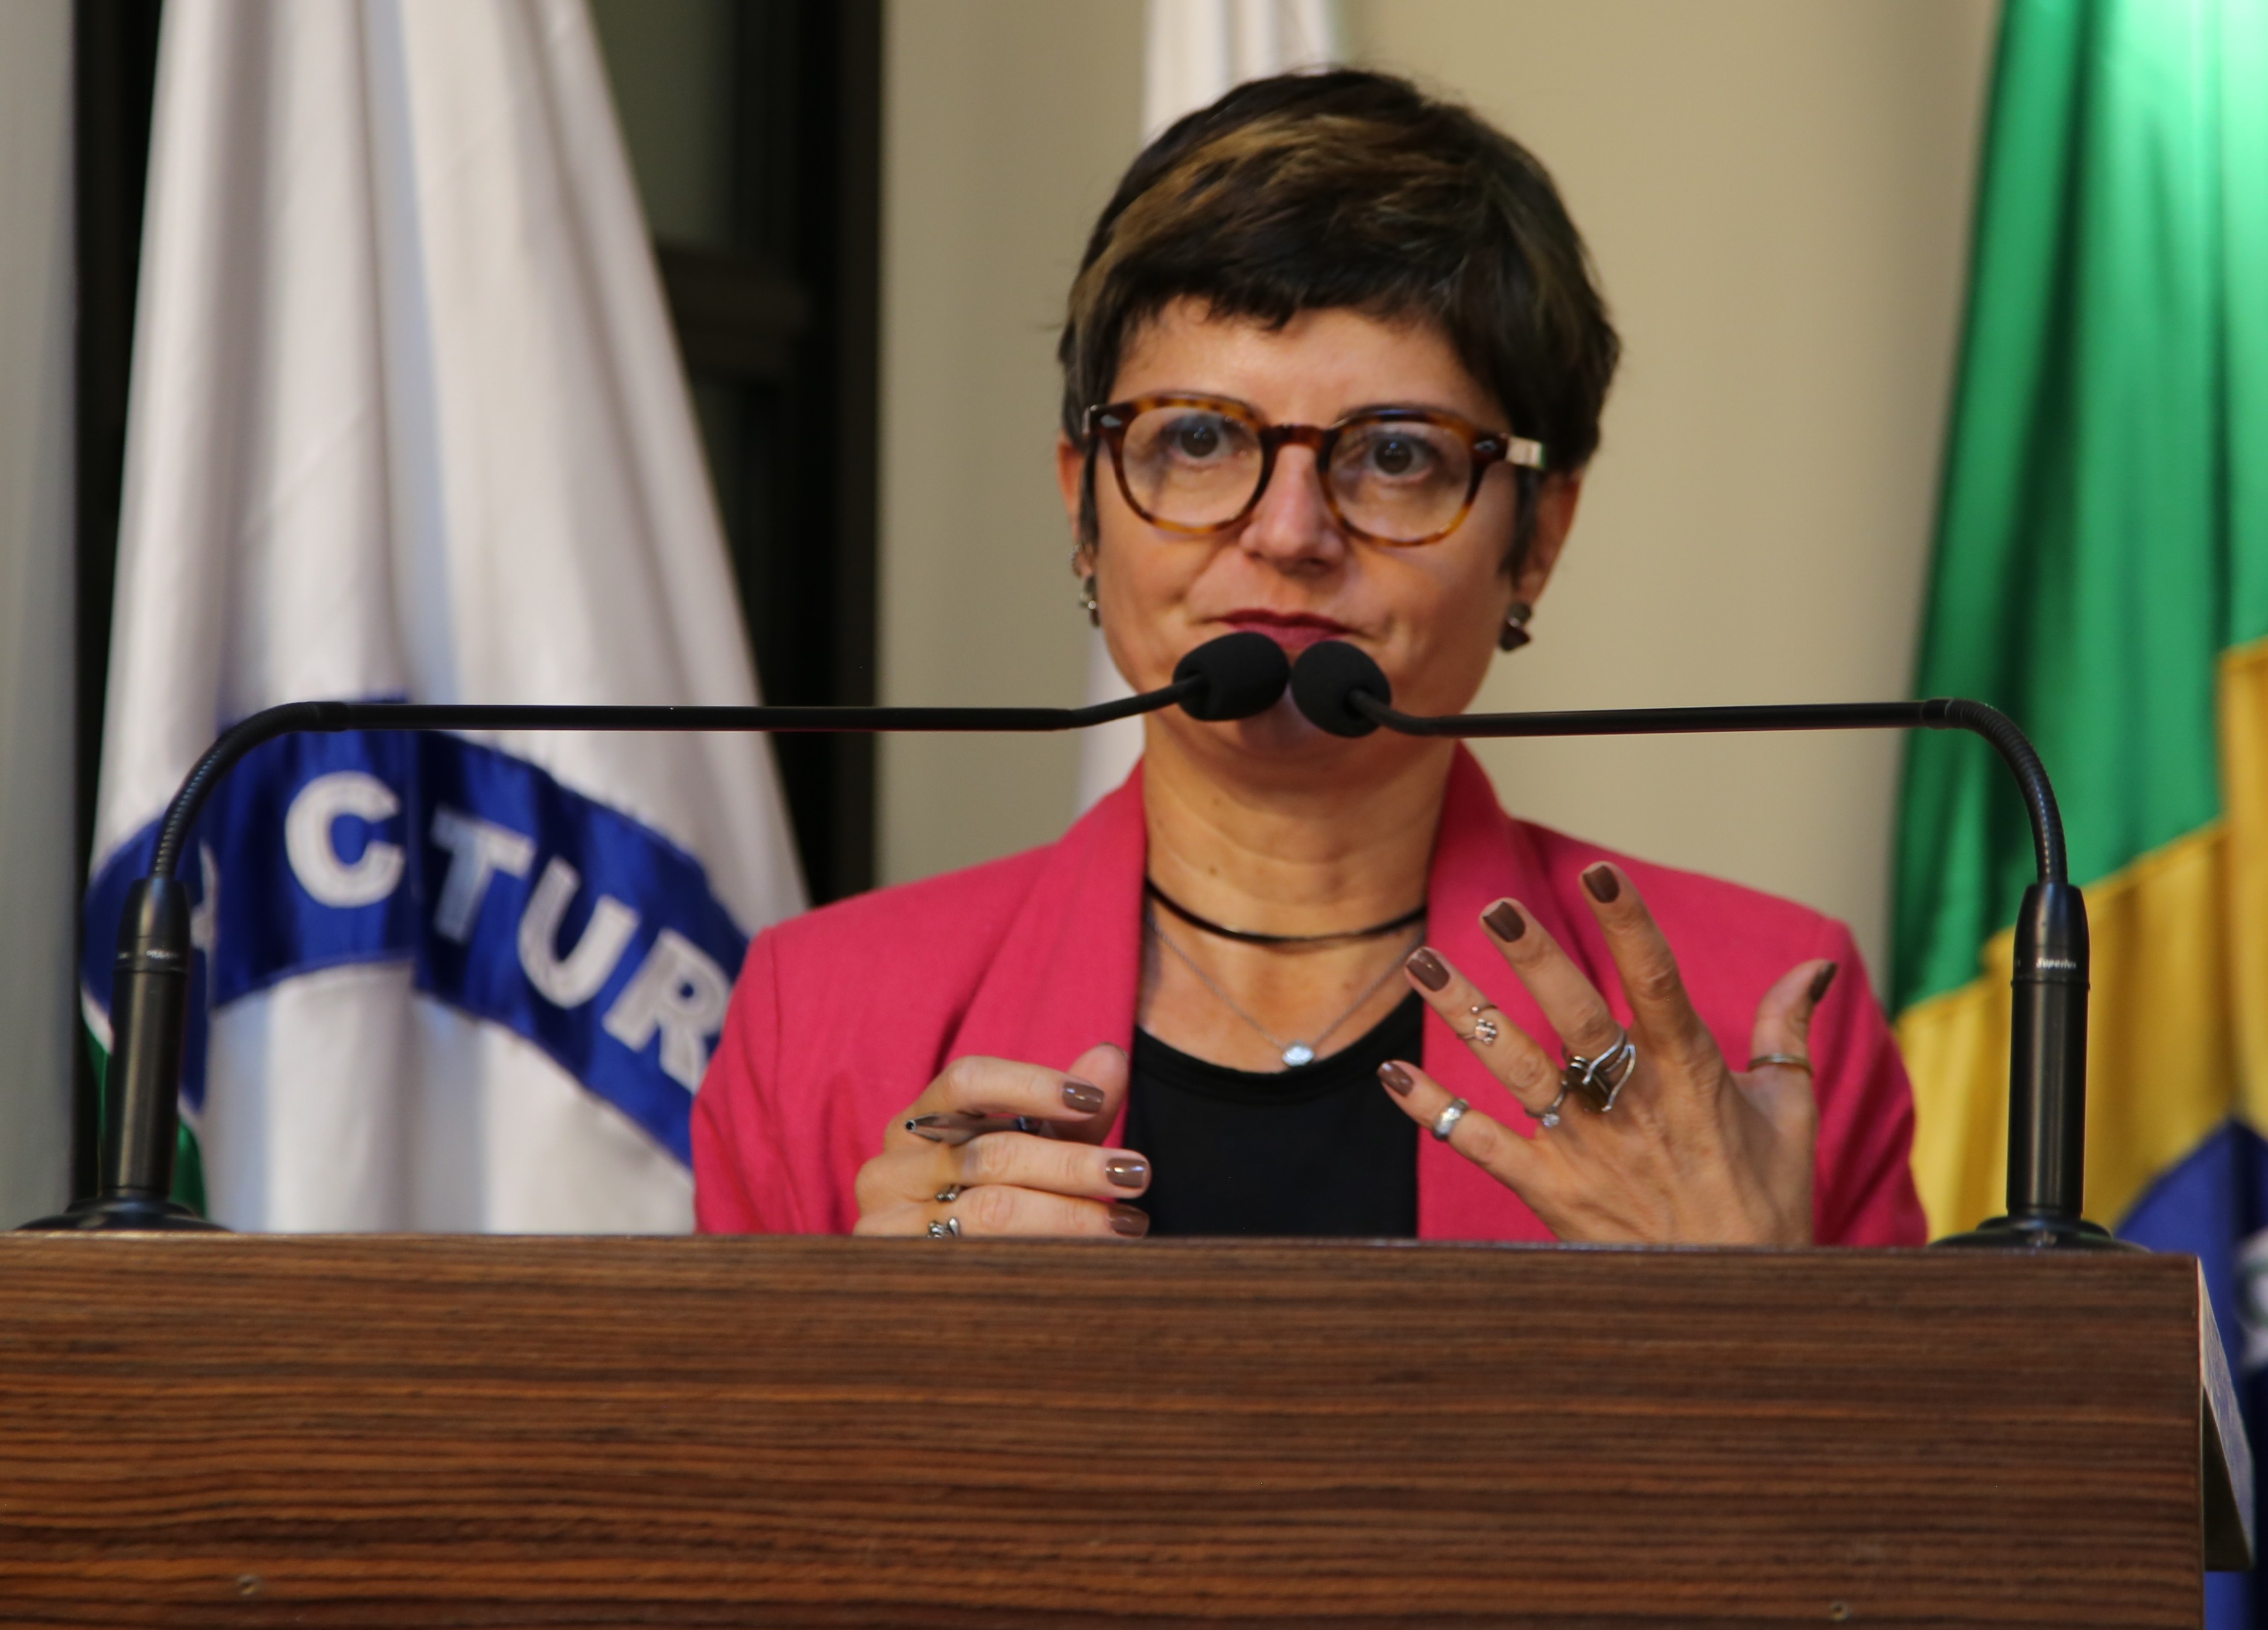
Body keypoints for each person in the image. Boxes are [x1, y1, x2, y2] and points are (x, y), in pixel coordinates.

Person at [692, 69, 1927, 1247]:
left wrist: (1744, 1308)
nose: (1288, 534)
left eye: (1396, 455)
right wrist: (873, 1338)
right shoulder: (824, 1017)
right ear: (1084, 507)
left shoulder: (1759, 1024)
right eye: (1197, 440)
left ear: (1537, 540)